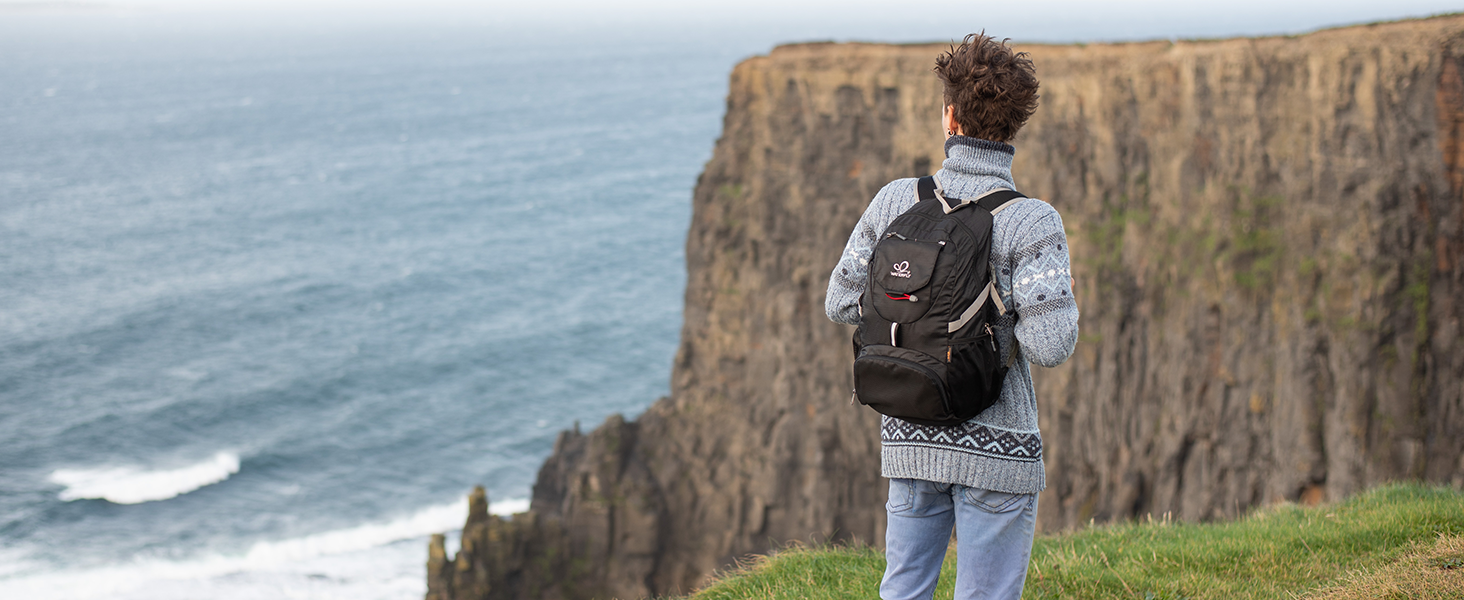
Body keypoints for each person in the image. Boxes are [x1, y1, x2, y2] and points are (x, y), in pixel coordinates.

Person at [824, 32, 1079, 600]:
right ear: (1014, 126)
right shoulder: (1032, 222)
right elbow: (1052, 342)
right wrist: (995, 309)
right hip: (998, 447)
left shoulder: (896, 200)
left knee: (904, 591)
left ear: (949, 117)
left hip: (910, 431)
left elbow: (839, 302)